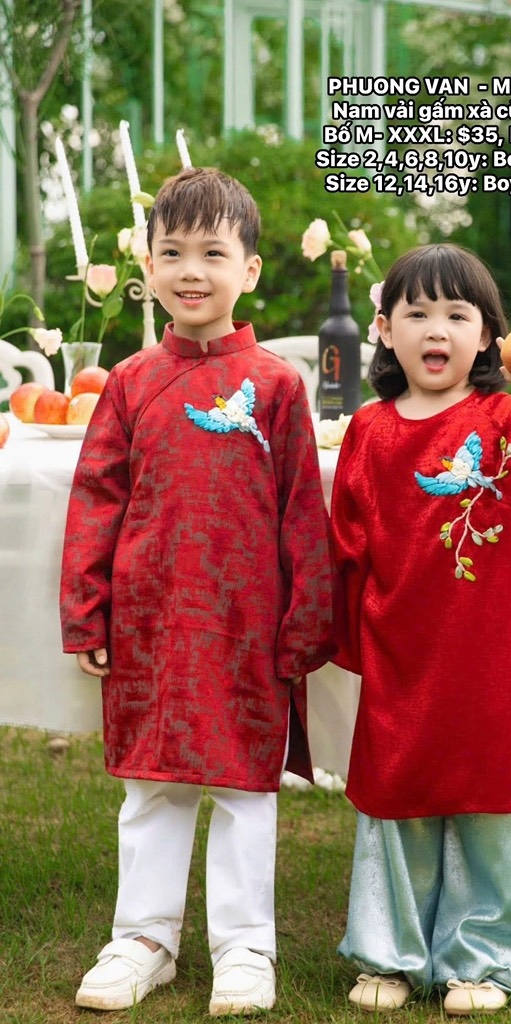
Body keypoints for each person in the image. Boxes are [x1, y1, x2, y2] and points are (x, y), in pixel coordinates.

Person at [60, 166, 335, 1016]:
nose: (191, 270)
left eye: (213, 253)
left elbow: (303, 513)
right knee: (153, 785)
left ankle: (245, 947)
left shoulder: (279, 386)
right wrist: (87, 615)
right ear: (147, 264)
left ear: (249, 269)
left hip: (247, 624)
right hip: (149, 622)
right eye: (172, 251)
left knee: (246, 788)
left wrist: (305, 626)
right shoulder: (130, 382)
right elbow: (95, 502)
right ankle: (144, 939)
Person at [329, 243, 511, 1016]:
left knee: (492, 805)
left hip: (494, 654)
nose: (437, 329)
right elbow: (347, 542)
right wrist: (347, 638)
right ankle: (390, 952)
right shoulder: (369, 428)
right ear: (385, 330)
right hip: (401, 648)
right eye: (417, 313)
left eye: (457, 315)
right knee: (397, 798)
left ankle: (488, 957)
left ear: (488, 334)